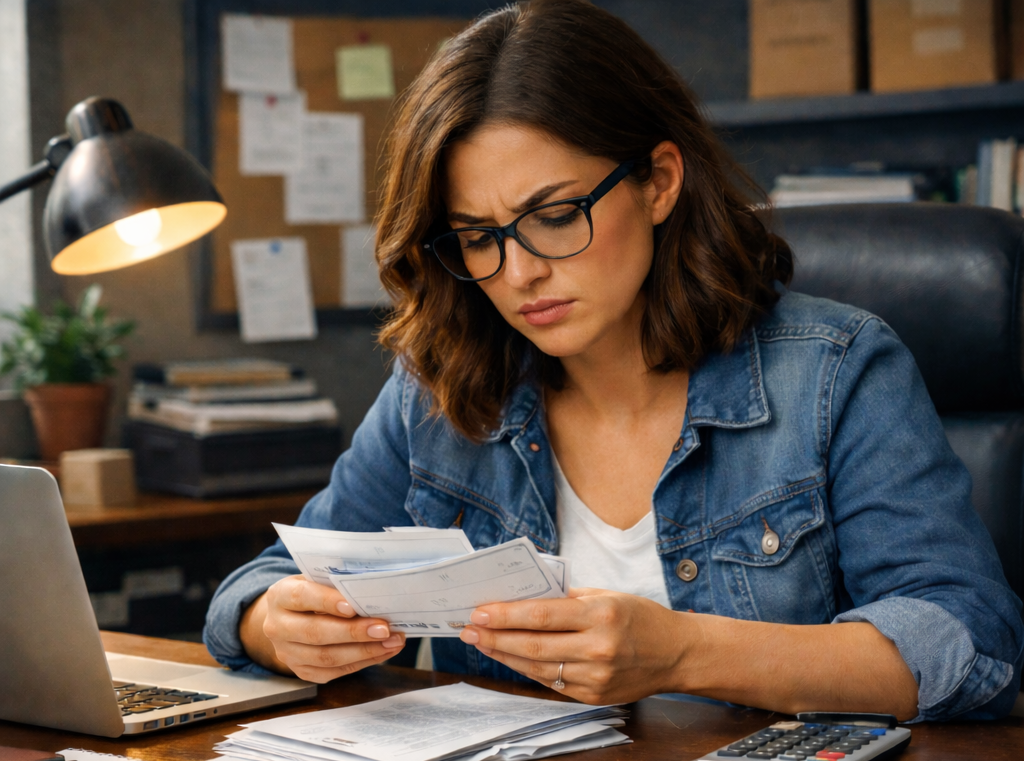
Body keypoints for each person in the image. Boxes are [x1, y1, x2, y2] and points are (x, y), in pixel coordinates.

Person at [205, 0, 1021, 722]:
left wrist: (682, 653)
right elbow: (265, 583)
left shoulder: (836, 372)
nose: (519, 272)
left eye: (555, 216)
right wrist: (276, 624)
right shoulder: (443, 385)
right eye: (478, 237)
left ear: (659, 182)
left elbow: (967, 640)